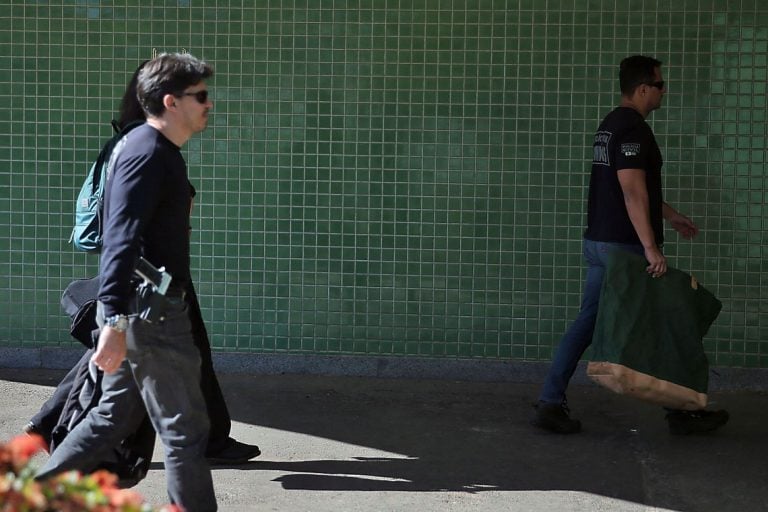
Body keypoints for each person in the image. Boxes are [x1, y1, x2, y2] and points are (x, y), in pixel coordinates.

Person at [26, 61, 260, 467]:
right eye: (198, 95)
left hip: (156, 279)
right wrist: (114, 317)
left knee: (138, 371)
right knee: (114, 398)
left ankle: (205, 442)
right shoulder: (144, 148)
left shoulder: (148, 144)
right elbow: (122, 237)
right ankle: (44, 454)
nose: (208, 104)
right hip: (147, 282)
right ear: (166, 101)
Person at [531, 55, 729, 435]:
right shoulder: (634, 129)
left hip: (602, 243)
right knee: (669, 322)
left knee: (587, 324)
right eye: (659, 84)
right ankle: (681, 411)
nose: (663, 90)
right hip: (624, 248)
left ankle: (550, 400)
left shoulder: (611, 125)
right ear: (642, 88)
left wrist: (669, 214)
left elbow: (631, 186)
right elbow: (632, 190)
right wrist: (651, 247)